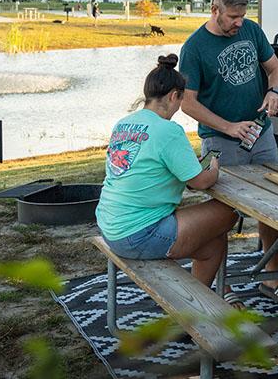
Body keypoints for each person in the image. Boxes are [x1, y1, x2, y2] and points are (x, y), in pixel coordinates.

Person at [180, 0, 278, 303]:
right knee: (223, 213)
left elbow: (276, 71)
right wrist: (228, 127)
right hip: (221, 140)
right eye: (232, 17)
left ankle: (271, 279)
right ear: (215, 10)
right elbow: (188, 102)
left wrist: (273, 91)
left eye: (242, 16)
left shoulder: (251, 31)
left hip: (261, 133)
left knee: (274, 203)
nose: (238, 23)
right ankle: (221, 284)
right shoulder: (194, 47)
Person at [95, 54, 237, 288]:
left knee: (213, 242)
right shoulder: (168, 130)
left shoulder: (123, 123)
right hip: (139, 234)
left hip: (110, 224)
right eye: (180, 101)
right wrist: (214, 168)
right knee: (228, 212)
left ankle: (200, 301)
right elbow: (199, 182)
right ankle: (197, 306)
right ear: (174, 96)